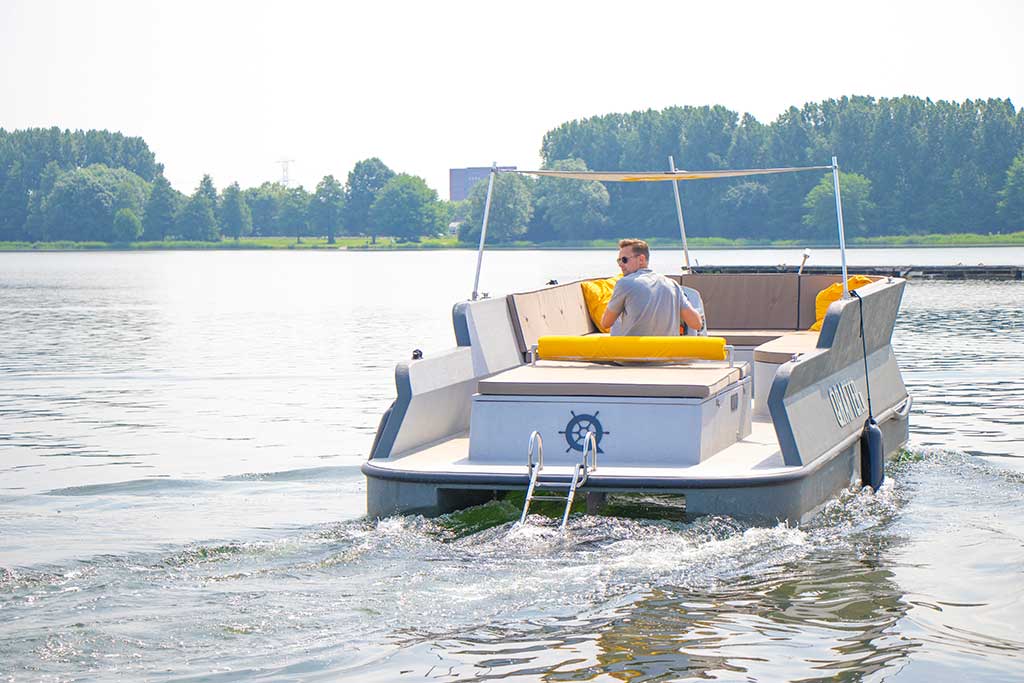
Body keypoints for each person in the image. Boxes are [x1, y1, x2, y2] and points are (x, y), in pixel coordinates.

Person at [600, 239, 704, 336]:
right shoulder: (673, 285)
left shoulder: (624, 284)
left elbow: (605, 323)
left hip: (634, 353)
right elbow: (697, 324)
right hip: (667, 353)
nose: (620, 265)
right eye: (619, 261)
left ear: (641, 259)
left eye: (624, 260)